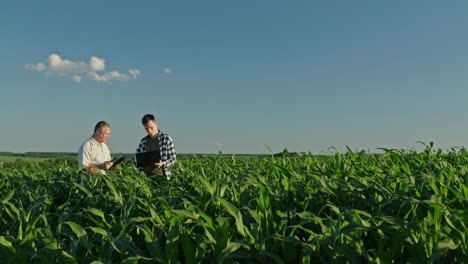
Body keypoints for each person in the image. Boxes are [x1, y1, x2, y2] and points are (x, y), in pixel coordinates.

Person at [134, 114, 176, 183]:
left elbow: (173, 158)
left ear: (156, 123)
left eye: (151, 127)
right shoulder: (143, 141)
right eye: (146, 129)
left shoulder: (166, 139)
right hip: (146, 179)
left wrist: (163, 163)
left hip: (163, 177)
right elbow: (135, 159)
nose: (149, 131)